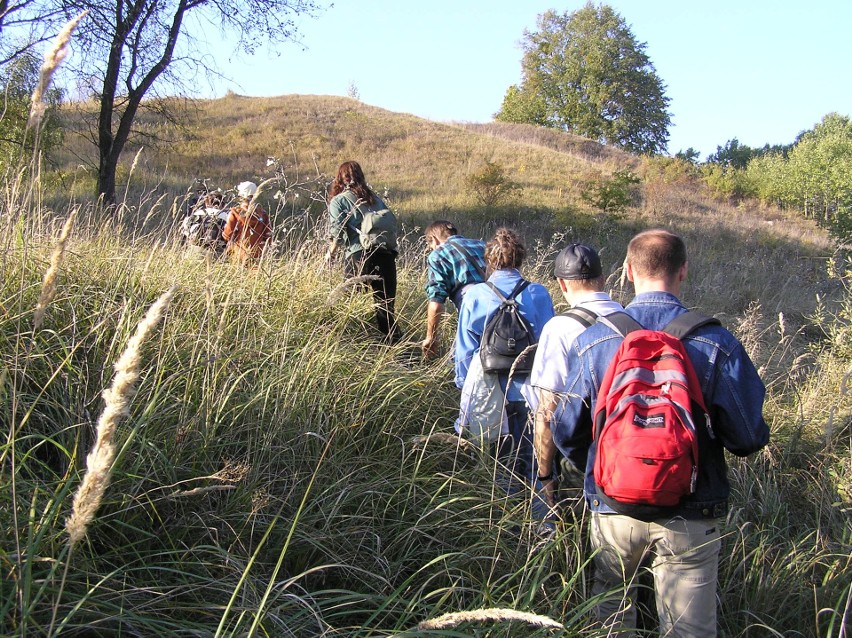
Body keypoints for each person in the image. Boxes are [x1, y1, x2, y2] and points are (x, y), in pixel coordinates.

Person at [538, 229, 769, 636]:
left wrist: (600, 469)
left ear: (626, 272)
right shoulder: (717, 342)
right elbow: (747, 438)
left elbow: (568, 430)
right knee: (688, 629)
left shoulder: (594, 339)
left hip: (613, 505)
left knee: (611, 610)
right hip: (692, 510)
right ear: (683, 271)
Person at [455, 227, 554, 498]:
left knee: (499, 462)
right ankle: (539, 520)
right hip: (530, 390)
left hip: (490, 392)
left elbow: (465, 350)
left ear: (489, 260)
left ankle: (502, 518)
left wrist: (465, 388)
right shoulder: (538, 293)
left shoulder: (474, 295)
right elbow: (548, 345)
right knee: (534, 459)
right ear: (521, 258)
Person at [529, 243, 623, 504]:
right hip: (627, 451)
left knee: (577, 537)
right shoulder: (628, 319)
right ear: (602, 279)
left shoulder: (559, 328)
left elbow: (547, 411)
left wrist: (545, 474)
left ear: (561, 284)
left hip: (579, 459)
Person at [326, 161, 402, 344]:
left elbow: (337, 231)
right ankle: (399, 353)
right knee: (385, 309)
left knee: (347, 305)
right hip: (386, 255)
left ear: (340, 178)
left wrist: (331, 254)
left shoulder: (339, 201)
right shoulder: (376, 199)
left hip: (359, 256)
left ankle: (344, 344)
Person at [422, 220, 486, 358]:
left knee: (460, 361)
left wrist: (431, 337)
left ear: (434, 239)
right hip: (502, 302)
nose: (432, 249)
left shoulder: (437, 255)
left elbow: (436, 303)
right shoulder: (481, 245)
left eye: (430, 245)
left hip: (473, 306)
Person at [222, 181, 272, 266]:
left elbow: (228, 235)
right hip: (257, 254)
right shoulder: (263, 214)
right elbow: (269, 236)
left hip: (237, 254)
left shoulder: (234, 212)